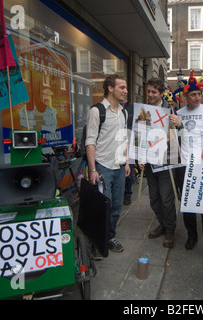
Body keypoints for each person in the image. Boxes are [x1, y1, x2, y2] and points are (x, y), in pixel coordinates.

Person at [170, 71, 203, 260]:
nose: (198, 97)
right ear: (185, 96)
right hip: (184, 164)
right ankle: (192, 237)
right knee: (188, 204)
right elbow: (173, 139)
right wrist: (175, 126)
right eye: (193, 94)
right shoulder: (178, 114)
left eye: (199, 94)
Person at [85, 74, 130, 253]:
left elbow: (124, 138)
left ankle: (109, 237)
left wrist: (126, 162)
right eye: (122, 87)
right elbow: (90, 141)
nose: (125, 91)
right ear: (110, 88)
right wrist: (93, 169)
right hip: (103, 167)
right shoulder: (97, 111)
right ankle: (97, 241)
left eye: (126, 88)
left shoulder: (124, 112)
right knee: (104, 205)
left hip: (120, 167)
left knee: (117, 206)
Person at [139, 78, 177, 248]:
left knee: (167, 199)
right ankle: (162, 223)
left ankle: (170, 230)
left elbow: (179, 138)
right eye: (149, 92)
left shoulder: (170, 111)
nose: (151, 95)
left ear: (162, 93)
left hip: (166, 162)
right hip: (149, 163)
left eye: (154, 92)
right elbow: (139, 136)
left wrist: (178, 126)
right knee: (154, 199)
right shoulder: (143, 111)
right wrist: (139, 157)